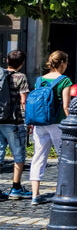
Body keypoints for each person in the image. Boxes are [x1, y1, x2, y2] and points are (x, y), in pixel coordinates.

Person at [29, 50, 73, 205]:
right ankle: (64, 190)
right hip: (57, 122)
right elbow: (66, 106)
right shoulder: (64, 80)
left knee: (38, 157)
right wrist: (72, 124)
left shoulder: (39, 80)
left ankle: (35, 194)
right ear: (62, 63)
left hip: (40, 123)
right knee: (65, 156)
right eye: (66, 62)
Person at [0, 50, 30, 200]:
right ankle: (16, 187)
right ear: (22, 63)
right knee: (19, 155)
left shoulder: (0, 75)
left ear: (7, 60)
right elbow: (24, 101)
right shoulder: (21, 77)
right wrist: (29, 120)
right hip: (14, 121)